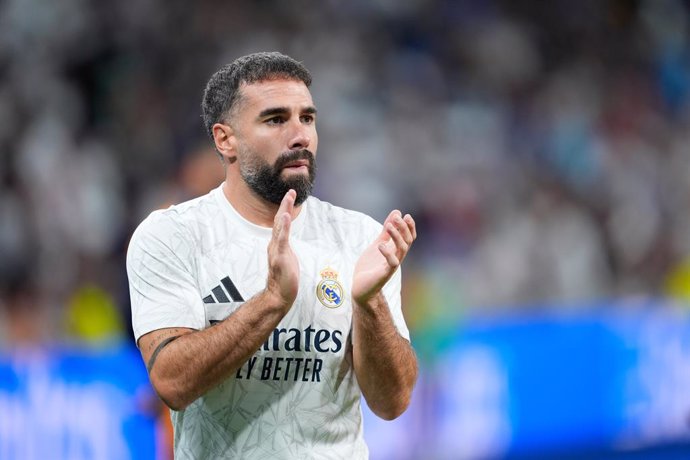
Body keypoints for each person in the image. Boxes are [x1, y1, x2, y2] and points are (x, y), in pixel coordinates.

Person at [126, 51, 418, 459]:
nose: (299, 135)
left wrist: (369, 304)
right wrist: (272, 302)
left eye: (308, 118)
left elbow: (393, 402)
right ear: (225, 139)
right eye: (276, 119)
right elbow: (172, 383)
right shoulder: (172, 236)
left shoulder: (360, 238)